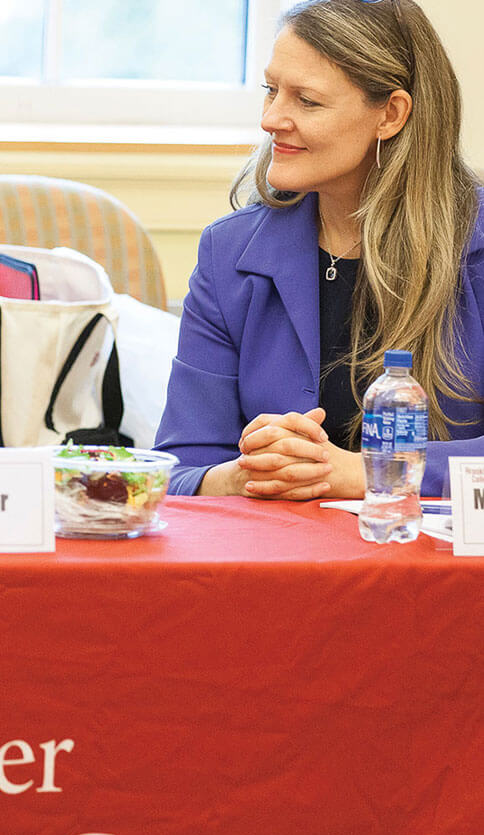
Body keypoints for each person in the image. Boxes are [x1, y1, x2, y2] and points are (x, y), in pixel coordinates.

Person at [154, 0, 484, 499]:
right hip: (280, 567)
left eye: (306, 100)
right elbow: (180, 468)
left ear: (390, 114)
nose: (271, 119)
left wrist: (363, 472)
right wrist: (247, 474)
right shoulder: (228, 252)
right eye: (271, 91)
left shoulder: (475, 246)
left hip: (437, 569)